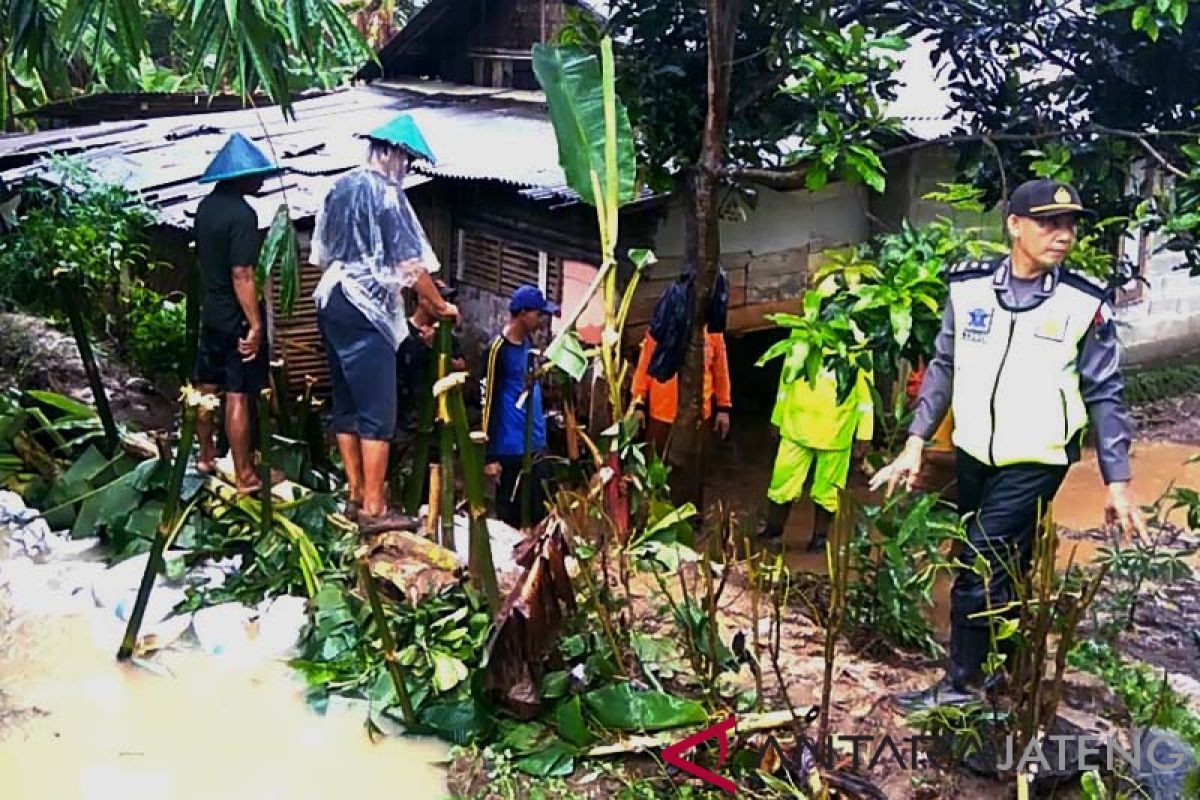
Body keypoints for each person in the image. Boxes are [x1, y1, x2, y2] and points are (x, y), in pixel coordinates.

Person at [871, 179, 1148, 710]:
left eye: (1069, 224)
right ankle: (1012, 667)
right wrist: (914, 443)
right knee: (1008, 563)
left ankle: (961, 686)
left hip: (1038, 459)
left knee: (975, 562)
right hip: (975, 453)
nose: (1062, 235)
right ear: (1014, 225)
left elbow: (1106, 394)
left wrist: (1118, 481)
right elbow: (944, 365)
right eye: (1049, 223)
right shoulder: (967, 288)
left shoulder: (1082, 304)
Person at [310, 114, 457, 534]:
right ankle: (375, 505)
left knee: (347, 402)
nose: (406, 168)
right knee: (377, 409)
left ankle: (355, 492)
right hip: (364, 307)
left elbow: (322, 253)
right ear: (390, 153)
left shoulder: (340, 188)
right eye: (405, 159)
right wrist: (440, 306)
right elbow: (412, 266)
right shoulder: (388, 197)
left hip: (331, 298)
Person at [192, 133, 279, 494]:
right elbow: (242, 274)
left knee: (205, 389)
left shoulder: (205, 208)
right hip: (235, 315)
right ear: (241, 177)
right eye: (257, 174)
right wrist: (255, 324)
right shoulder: (243, 215)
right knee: (237, 393)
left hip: (211, 310)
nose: (261, 180)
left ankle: (206, 455)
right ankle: (244, 474)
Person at [758, 365, 874, 551]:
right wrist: (777, 417)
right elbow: (786, 379)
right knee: (782, 482)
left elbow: (865, 396)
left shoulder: (856, 344)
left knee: (828, 491)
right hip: (795, 427)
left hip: (836, 432)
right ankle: (773, 531)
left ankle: (819, 539)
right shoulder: (802, 337)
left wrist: (864, 433)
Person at [481, 285, 557, 528]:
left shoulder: (529, 344)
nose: (541, 320)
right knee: (510, 516)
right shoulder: (497, 351)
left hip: (534, 440)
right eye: (538, 314)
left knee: (538, 511)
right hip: (509, 444)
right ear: (522, 313)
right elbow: (487, 400)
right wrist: (489, 456)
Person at [394, 279, 466, 498]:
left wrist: (437, 346)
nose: (443, 303)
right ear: (422, 300)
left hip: (439, 417)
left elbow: (461, 367)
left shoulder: (445, 335)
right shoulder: (401, 333)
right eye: (438, 297)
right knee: (406, 477)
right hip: (406, 417)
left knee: (436, 480)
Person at [630, 327, 732, 457]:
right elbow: (644, 366)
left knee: (694, 471)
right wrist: (638, 403)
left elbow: (721, 371)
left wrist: (723, 407)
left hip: (698, 418)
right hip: (661, 417)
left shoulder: (713, 330)